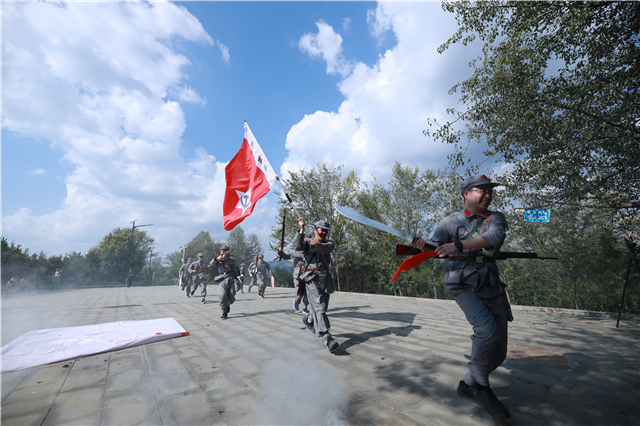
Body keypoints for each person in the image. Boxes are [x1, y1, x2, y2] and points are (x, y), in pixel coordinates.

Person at [411, 174, 512, 422]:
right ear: (466, 194)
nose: (488, 194)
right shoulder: (449, 222)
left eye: (490, 191)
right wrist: (422, 247)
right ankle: (482, 389)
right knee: (487, 331)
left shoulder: (495, 218)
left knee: (498, 352)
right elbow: (435, 250)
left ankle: (467, 384)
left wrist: (458, 245)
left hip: (490, 282)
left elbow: (494, 238)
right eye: (482, 190)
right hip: (461, 282)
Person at [293, 218, 339, 352]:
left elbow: (326, 249)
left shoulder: (329, 243)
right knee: (320, 306)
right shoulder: (307, 242)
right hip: (311, 278)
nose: (324, 232)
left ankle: (309, 320)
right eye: (321, 230)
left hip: (325, 279)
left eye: (326, 230)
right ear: (315, 230)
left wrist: (317, 245)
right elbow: (296, 245)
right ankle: (327, 336)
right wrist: (301, 230)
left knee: (322, 306)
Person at [278, 246, 308, 312]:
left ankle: (305, 307)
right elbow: (285, 256)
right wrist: (281, 251)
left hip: (307, 273)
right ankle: (296, 300)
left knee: (307, 292)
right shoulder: (295, 252)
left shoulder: (308, 252)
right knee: (300, 291)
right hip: (298, 274)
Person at [211, 245, 237, 319]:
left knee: (231, 298)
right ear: (220, 251)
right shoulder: (218, 258)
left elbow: (232, 260)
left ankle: (228, 304)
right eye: (223, 250)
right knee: (222, 295)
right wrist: (217, 259)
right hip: (222, 278)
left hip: (231, 278)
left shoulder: (232, 257)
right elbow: (211, 264)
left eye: (226, 250)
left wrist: (225, 257)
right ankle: (224, 311)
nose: (225, 251)